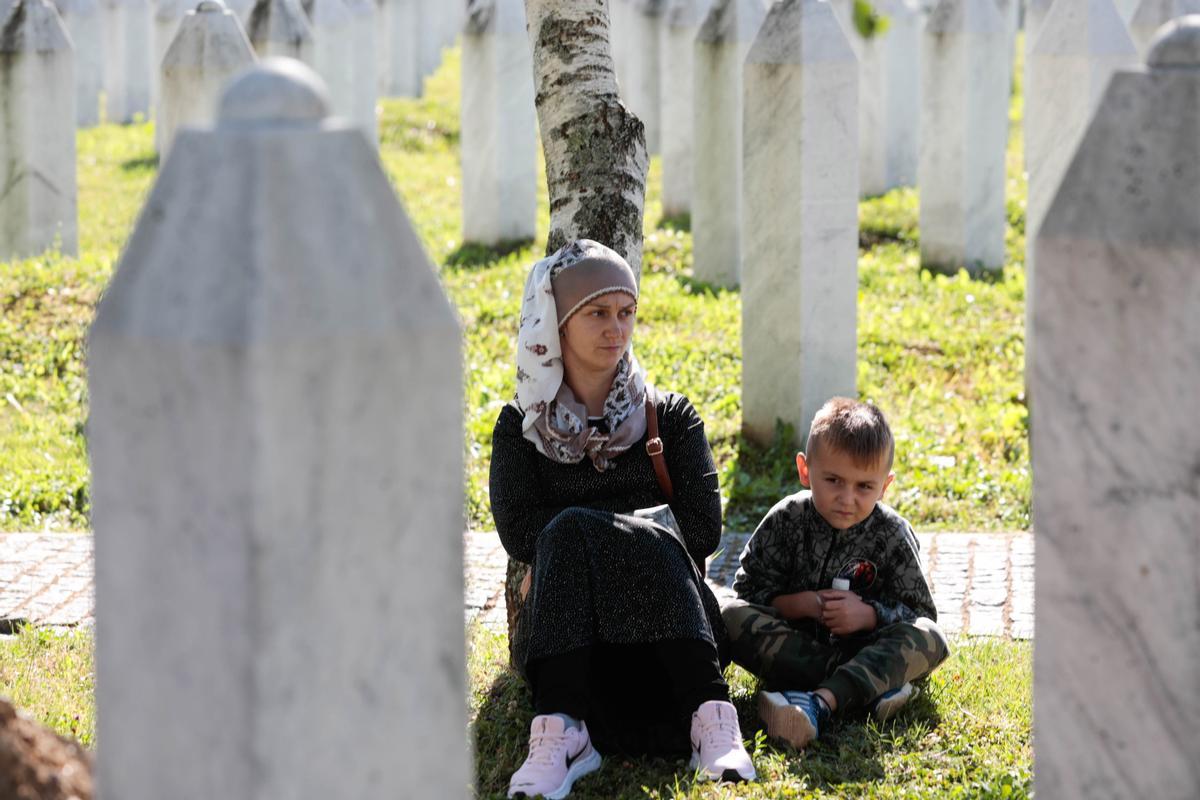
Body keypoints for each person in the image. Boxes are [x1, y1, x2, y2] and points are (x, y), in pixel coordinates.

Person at [490, 240, 755, 799]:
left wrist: (581, 536)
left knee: (563, 530)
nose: (618, 328)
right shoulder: (520, 430)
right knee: (567, 532)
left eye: (627, 312)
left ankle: (712, 718)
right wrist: (631, 530)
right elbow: (517, 532)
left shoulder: (672, 418)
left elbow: (703, 533)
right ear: (556, 324)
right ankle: (562, 736)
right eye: (598, 313)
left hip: (675, 654)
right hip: (581, 660)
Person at [721, 397, 949, 750]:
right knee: (725, 614)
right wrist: (803, 605)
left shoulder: (892, 534)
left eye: (864, 487)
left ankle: (819, 701)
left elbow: (919, 614)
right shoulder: (787, 519)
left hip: (868, 648)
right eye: (833, 480)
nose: (847, 498)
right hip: (798, 651)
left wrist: (871, 615)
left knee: (930, 637)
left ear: (885, 487)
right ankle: (869, 691)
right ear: (805, 469)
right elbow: (749, 593)